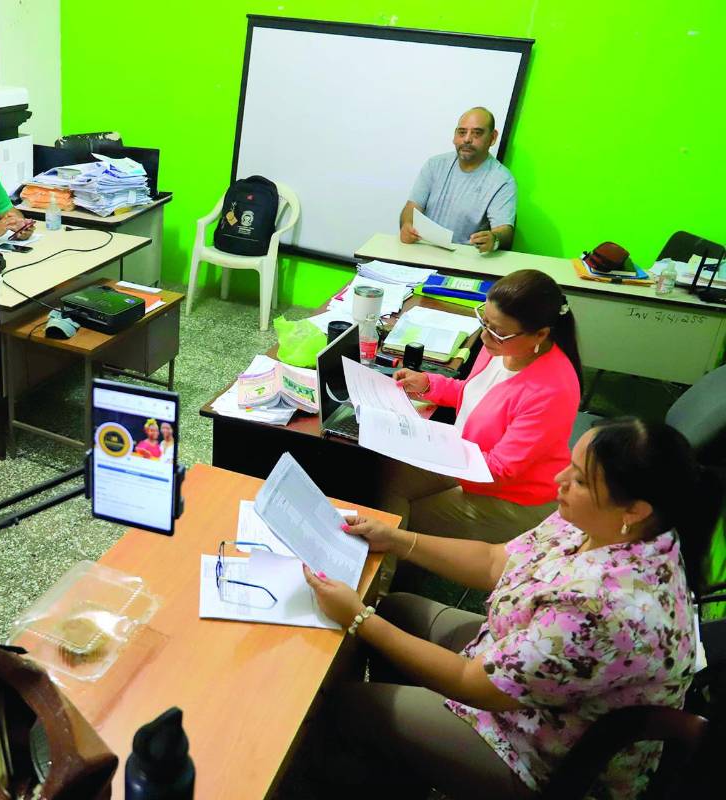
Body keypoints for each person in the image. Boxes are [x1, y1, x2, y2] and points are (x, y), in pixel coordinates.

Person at [304, 418, 715, 800]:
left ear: (635, 510)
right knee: (397, 610)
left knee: (346, 706)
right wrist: (398, 540)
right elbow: (495, 561)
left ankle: (380, 759)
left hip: (538, 751)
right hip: (521, 671)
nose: (560, 480)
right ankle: (399, 766)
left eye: (580, 480)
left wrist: (359, 617)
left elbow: (471, 682)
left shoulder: (605, 608)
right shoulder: (606, 523)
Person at [382, 269, 581, 543]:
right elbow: (476, 395)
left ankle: (381, 581)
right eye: (484, 322)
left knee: (407, 517)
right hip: (467, 460)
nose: (486, 337)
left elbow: (500, 471)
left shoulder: (551, 391)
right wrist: (428, 384)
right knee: (386, 477)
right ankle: (382, 573)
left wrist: (435, 448)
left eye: (497, 331)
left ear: (540, 335)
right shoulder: (502, 347)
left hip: (510, 495)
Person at [399, 107, 516, 253]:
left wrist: (494, 238)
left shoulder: (502, 180)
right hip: (423, 249)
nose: (467, 139)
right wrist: (407, 225)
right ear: (455, 136)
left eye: (477, 133)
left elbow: (504, 230)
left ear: (492, 138)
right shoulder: (435, 165)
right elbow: (412, 207)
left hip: (465, 258)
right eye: (462, 132)